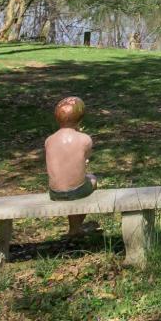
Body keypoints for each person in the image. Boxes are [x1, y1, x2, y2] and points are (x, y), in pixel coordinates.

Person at [43, 96, 97, 234]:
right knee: (92, 179)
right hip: (76, 191)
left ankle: (74, 228)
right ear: (80, 119)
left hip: (54, 192)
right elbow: (85, 160)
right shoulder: (85, 139)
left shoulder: (49, 140)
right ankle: (75, 227)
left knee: (71, 183)